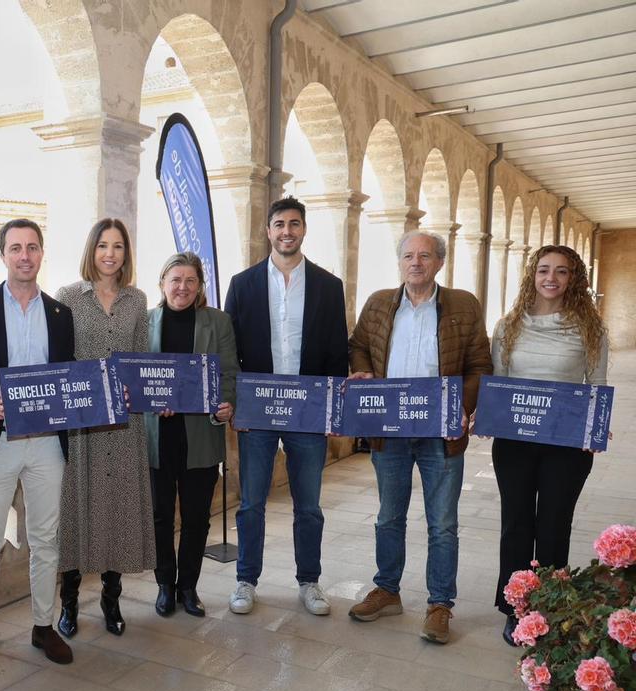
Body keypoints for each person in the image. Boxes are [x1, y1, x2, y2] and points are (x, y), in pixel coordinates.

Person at [347, 230, 492, 644]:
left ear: (439, 262)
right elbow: (358, 345)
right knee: (388, 516)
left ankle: (440, 604)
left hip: (439, 433)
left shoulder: (463, 305)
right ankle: (387, 590)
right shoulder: (379, 303)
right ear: (400, 261)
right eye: (409, 256)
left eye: (425, 256)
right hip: (390, 431)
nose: (416, 263)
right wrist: (363, 371)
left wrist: (461, 407)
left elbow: (480, 364)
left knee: (442, 523)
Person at [223, 196, 348, 617]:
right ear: (268, 231)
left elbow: (337, 352)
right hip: (258, 413)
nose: (287, 231)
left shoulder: (329, 286)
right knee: (251, 504)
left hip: (307, 413)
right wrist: (237, 404)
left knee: (308, 506)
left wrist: (332, 410)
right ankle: (246, 580)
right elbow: (229, 351)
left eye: (294, 223)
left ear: (304, 229)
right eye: (279, 224)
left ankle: (309, 582)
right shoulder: (243, 284)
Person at [0, 218, 75, 666]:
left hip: (46, 444)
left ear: (42, 253)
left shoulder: (61, 315)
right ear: (3, 254)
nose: (24, 256)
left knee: (46, 539)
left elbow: (67, 375)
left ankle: (43, 627)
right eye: (15, 248)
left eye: (32, 247)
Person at [488, 245, 608, 646]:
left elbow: (597, 384)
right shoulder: (508, 326)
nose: (551, 278)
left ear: (574, 279)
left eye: (561, 271)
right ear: (532, 275)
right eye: (543, 270)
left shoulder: (590, 328)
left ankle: (550, 608)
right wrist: (489, 415)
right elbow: (500, 380)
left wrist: (595, 428)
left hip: (566, 444)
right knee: (516, 524)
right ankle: (516, 608)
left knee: (554, 525)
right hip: (515, 442)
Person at [55, 218, 155, 638]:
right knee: (77, 510)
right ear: (91, 250)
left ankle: (111, 600)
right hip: (83, 427)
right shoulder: (67, 297)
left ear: (126, 253)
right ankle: (69, 603)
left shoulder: (137, 300)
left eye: (117, 246)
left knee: (119, 509)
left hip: (125, 427)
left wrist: (144, 391)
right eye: (102, 246)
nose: (110, 254)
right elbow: (59, 362)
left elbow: (140, 359)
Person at [148, 252, 238, 618]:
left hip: (200, 435)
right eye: (175, 280)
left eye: (190, 281)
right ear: (162, 283)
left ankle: (188, 587)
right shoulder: (145, 322)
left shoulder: (218, 322)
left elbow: (229, 373)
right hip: (158, 436)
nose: (182, 287)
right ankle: (164, 585)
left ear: (200, 285)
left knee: (197, 517)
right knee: (159, 517)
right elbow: (134, 376)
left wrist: (226, 404)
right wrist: (152, 400)